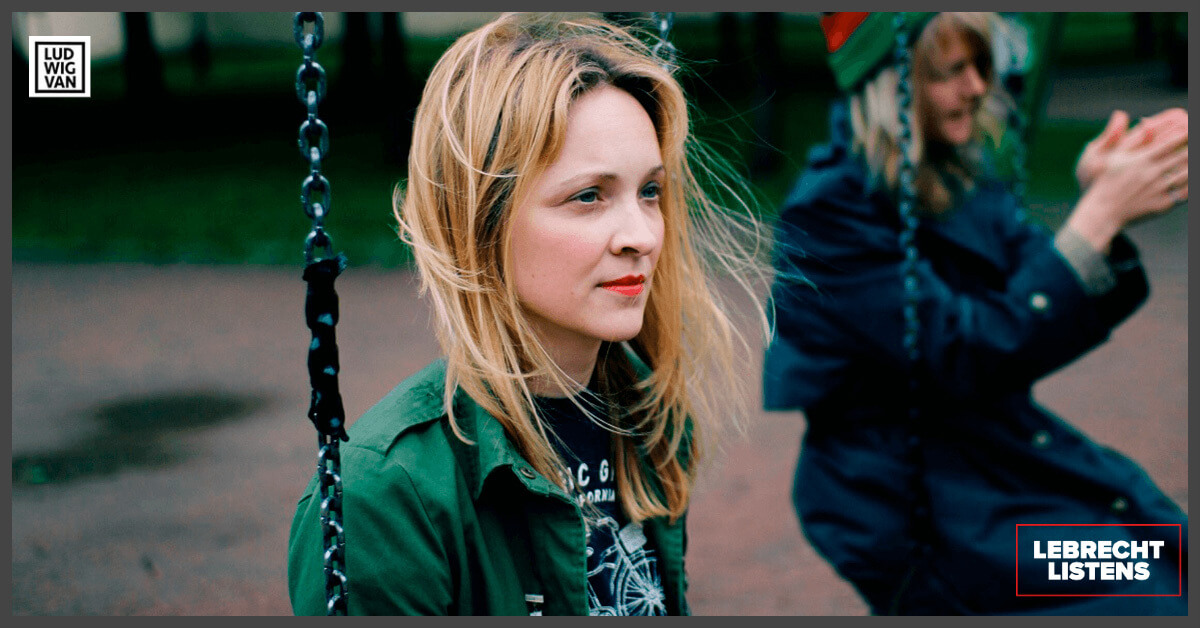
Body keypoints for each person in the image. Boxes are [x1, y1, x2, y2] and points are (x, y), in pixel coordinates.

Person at [289, 12, 769, 616]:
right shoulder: (384, 500)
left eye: (649, 191)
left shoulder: (650, 420)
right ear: (481, 220)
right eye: (589, 196)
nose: (643, 235)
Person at [763, 12, 1188, 615]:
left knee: (1167, 556)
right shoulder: (831, 213)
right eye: (950, 71)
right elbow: (963, 353)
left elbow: (1031, 296)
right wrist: (1097, 217)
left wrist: (1097, 197)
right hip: (923, 510)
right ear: (893, 85)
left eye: (980, 66)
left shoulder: (953, 171)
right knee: (1151, 595)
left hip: (997, 467)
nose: (976, 88)